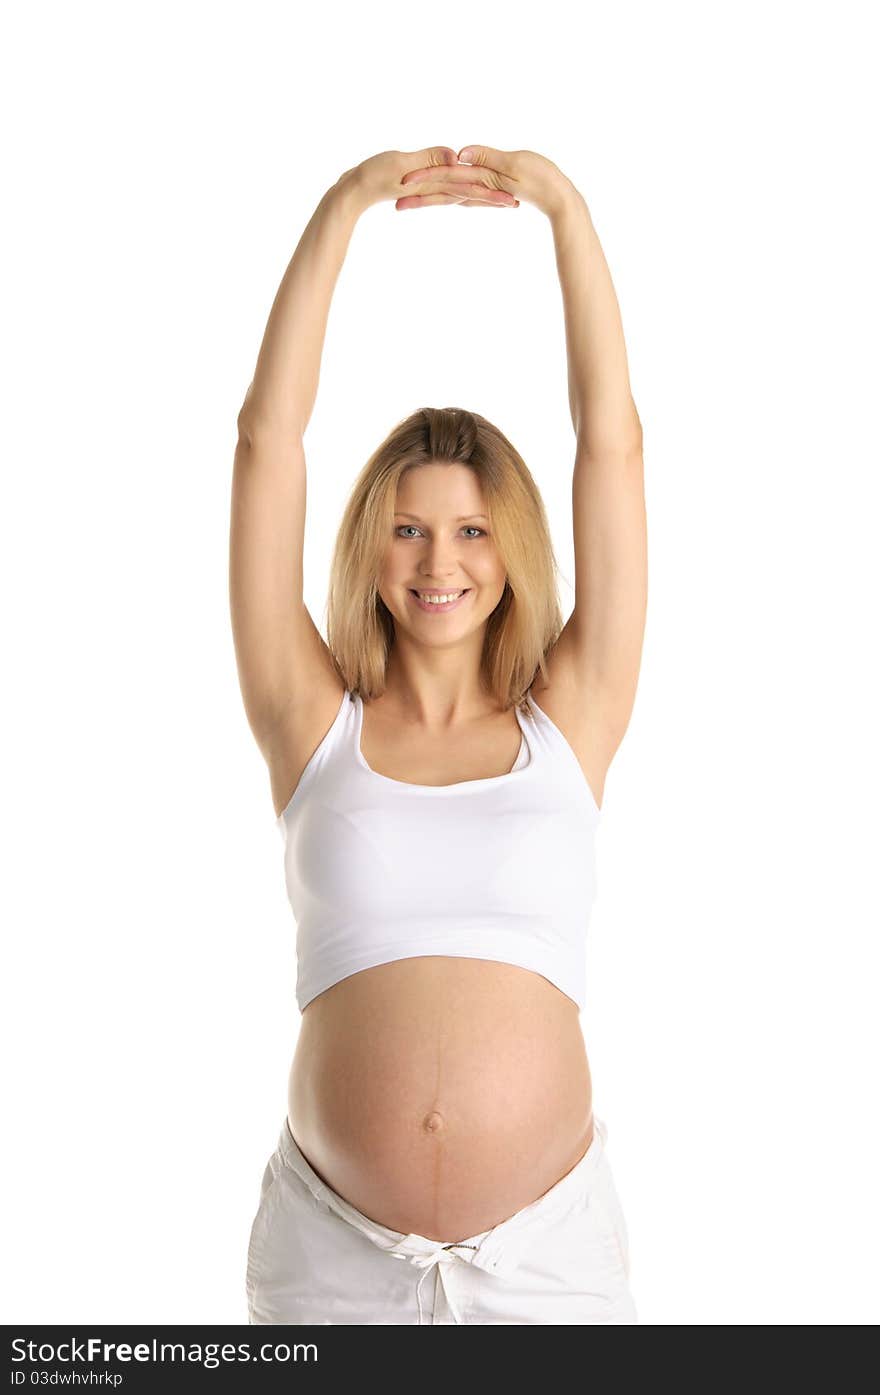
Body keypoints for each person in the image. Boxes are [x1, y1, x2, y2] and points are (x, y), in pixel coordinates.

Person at [229, 145, 647, 1325]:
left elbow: (610, 443)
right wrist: (342, 208)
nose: (438, 563)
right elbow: (267, 443)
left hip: (547, 1264)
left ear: (509, 547)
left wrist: (566, 211)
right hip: (332, 1264)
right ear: (370, 545)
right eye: (407, 531)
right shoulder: (308, 722)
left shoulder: (573, 717)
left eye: (469, 531)